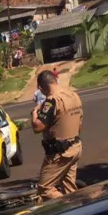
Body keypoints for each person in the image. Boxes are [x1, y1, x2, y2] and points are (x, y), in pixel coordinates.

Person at [31, 70, 83, 200]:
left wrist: (34, 114)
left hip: (60, 153)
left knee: (44, 189)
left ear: (40, 87)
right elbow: (79, 124)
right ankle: (77, 210)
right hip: (75, 146)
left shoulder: (52, 101)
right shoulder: (73, 95)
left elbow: (38, 127)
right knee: (69, 188)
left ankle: (71, 206)